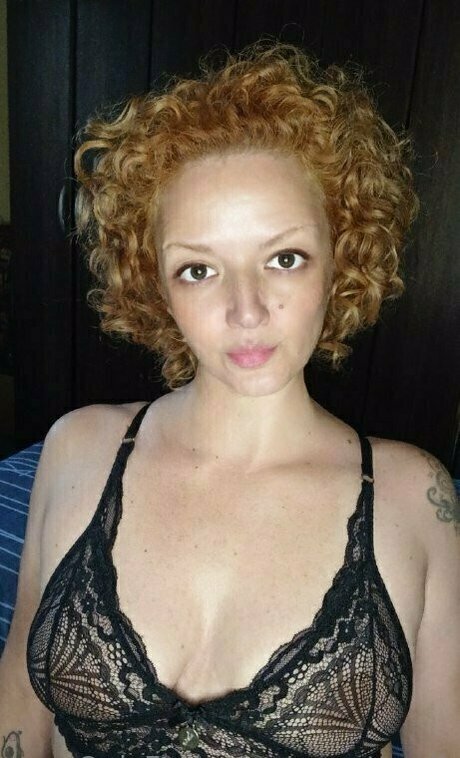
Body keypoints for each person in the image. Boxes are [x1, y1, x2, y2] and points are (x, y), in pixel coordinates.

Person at [0, 40, 459, 758]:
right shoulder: (75, 448)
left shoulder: (415, 498)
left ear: (341, 256)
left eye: (284, 258)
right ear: (153, 282)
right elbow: (21, 710)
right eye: (198, 269)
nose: (246, 310)